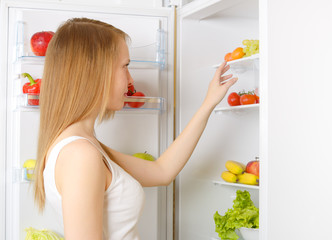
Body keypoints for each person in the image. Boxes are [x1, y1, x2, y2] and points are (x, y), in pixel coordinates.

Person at [33, 18, 237, 240]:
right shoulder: (80, 155)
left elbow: (162, 171)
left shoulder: (85, 145)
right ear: (95, 72)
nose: (131, 81)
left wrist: (208, 103)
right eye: (125, 67)